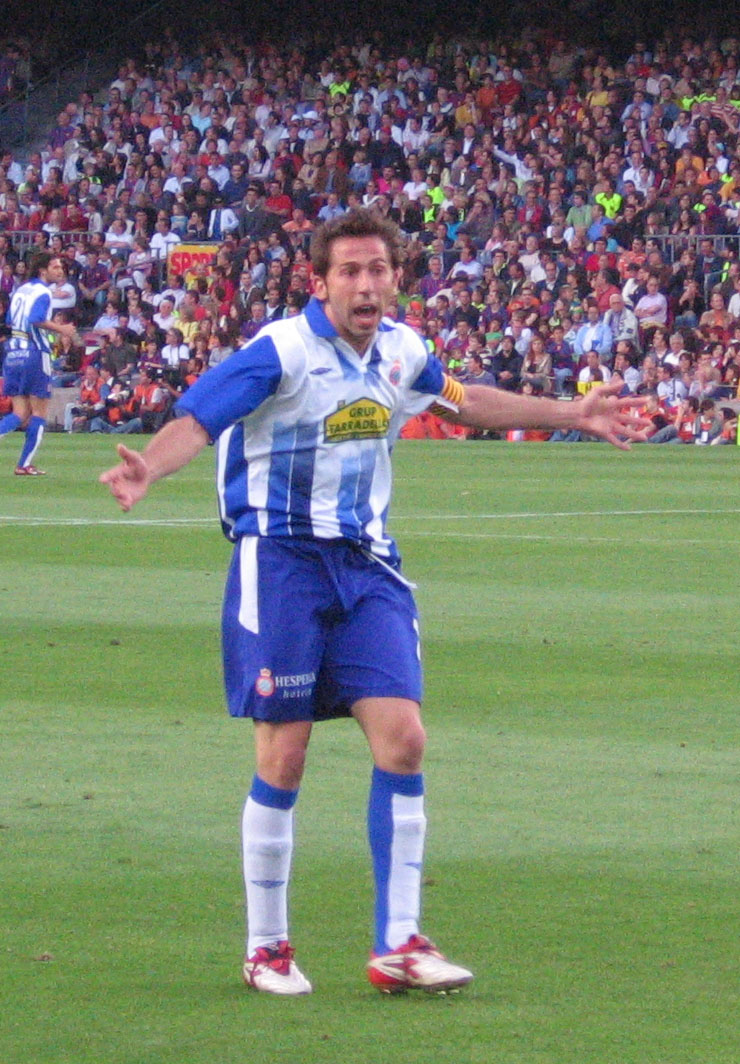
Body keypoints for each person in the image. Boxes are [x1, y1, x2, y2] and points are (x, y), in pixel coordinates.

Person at [100, 210, 644, 997]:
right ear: (319, 281)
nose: (365, 284)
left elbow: (461, 402)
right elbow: (198, 419)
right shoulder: (282, 351)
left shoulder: (402, 351)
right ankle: (266, 948)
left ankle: (400, 944)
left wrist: (572, 413)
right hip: (281, 563)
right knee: (284, 754)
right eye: (350, 271)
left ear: (395, 279)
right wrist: (149, 467)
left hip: (367, 568)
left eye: (378, 270)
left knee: (404, 739)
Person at [0, 251, 76, 474]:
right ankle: (24, 464)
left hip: (13, 351)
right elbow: (35, 319)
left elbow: (9, 320)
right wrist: (61, 328)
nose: (60, 271)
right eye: (55, 267)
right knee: (39, 412)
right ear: (43, 270)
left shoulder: (21, 289)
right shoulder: (43, 292)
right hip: (35, 352)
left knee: (19, 412)